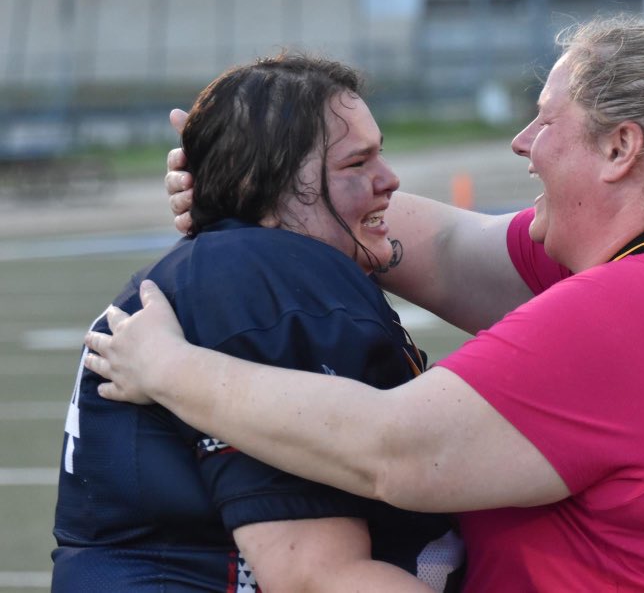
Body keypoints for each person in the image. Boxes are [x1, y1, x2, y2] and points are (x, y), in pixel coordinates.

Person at [86, 18, 644, 591]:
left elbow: (390, 451)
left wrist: (168, 366)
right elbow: (453, 250)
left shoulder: (634, 310)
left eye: (547, 119)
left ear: (620, 148)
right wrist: (267, 185)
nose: (521, 142)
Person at [53, 54, 463, 592]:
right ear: (259, 184)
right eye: (355, 163)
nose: (390, 180)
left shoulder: (245, 267)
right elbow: (315, 577)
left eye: (377, 155)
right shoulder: (261, 278)